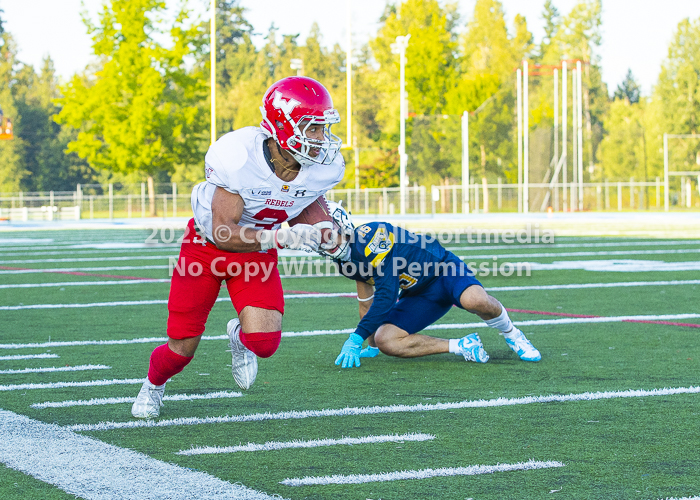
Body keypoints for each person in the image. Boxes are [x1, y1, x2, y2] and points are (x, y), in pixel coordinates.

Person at [132, 76, 345, 418]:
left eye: (323, 128)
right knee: (180, 349)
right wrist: (279, 237)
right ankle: (153, 384)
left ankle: (238, 337)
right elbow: (222, 233)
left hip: (256, 254)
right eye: (312, 128)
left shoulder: (322, 168)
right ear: (282, 126)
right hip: (205, 251)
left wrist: (328, 233)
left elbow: (307, 200)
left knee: (264, 343)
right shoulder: (239, 156)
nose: (321, 139)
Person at [320, 202, 541, 368]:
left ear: (343, 225)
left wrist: (356, 337)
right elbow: (366, 303)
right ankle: (463, 345)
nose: (326, 240)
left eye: (328, 232)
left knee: (475, 300)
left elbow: (386, 297)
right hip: (419, 294)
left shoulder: (372, 238)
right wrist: (372, 345)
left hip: (444, 270)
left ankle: (513, 334)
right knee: (385, 339)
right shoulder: (345, 261)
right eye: (320, 237)